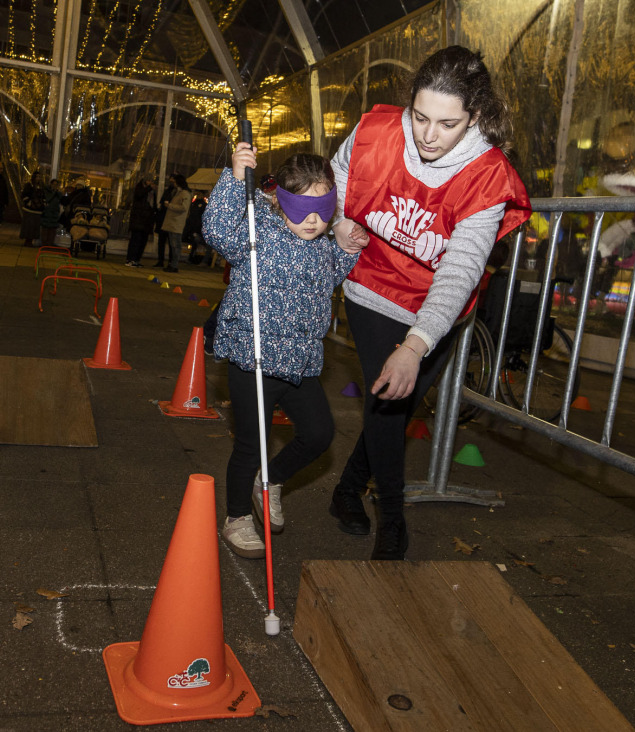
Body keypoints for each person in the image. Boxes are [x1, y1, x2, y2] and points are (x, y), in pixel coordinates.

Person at [329, 46, 532, 560]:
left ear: (475, 116)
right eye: (420, 117)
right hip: (372, 286)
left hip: (436, 309)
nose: (427, 135)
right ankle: (393, 522)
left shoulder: (488, 176)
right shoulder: (376, 131)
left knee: (393, 404)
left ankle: (346, 492)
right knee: (388, 405)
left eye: (447, 123)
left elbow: (460, 272)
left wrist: (416, 344)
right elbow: (339, 174)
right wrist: (338, 219)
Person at [204, 144, 364, 559]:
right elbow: (218, 231)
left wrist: (348, 246)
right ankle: (236, 517)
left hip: (301, 365)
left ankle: (269, 482)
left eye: (323, 209)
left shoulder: (322, 240)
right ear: (281, 201)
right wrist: (235, 177)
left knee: (319, 435)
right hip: (252, 359)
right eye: (303, 209)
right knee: (250, 444)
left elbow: (331, 278)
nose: (313, 221)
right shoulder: (257, 230)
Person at [159, 173, 191, 273]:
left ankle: (174, 265)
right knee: (173, 245)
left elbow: (184, 207)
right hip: (173, 222)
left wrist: (170, 205)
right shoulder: (179, 192)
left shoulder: (184, 194)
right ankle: (172, 264)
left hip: (176, 223)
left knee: (176, 245)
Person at [123, 177, 156, 266]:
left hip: (146, 221)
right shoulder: (140, 189)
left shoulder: (151, 193)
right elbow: (139, 195)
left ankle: (136, 259)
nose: (150, 183)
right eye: (149, 180)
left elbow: (154, 205)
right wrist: (149, 188)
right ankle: (130, 259)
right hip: (138, 220)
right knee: (135, 240)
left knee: (142, 241)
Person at [152, 176, 178, 267]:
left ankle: (169, 261)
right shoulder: (169, 191)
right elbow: (162, 203)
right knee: (163, 242)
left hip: (169, 220)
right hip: (164, 219)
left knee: (171, 243)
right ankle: (161, 260)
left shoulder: (177, 192)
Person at [19, 171, 47, 247]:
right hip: (29, 210)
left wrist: (43, 204)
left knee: (35, 226)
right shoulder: (29, 185)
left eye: (39, 177)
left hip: (37, 211)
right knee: (29, 226)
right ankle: (27, 241)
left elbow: (43, 197)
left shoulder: (41, 187)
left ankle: (31, 241)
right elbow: (24, 195)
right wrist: (29, 203)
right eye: (37, 177)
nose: (38, 178)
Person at [39, 178, 65, 247]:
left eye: (56, 185)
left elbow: (61, 201)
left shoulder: (58, 194)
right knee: (45, 230)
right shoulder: (47, 192)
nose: (55, 186)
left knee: (52, 231)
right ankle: (44, 244)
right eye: (53, 184)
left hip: (54, 214)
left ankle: (49, 244)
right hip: (47, 213)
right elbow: (47, 199)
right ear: (51, 184)